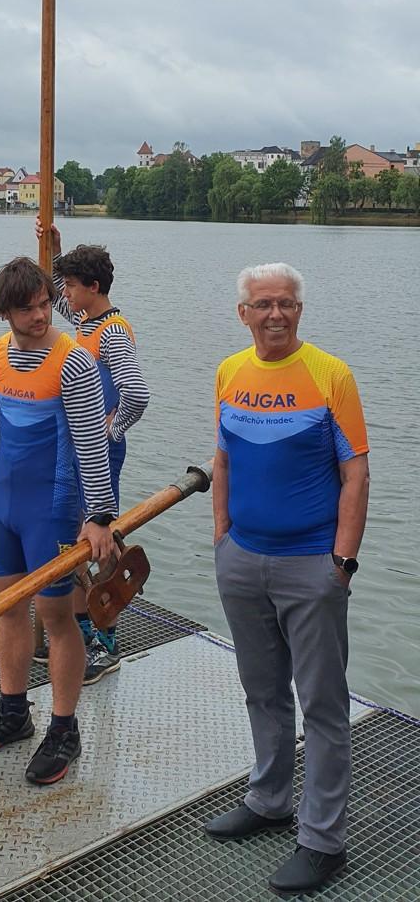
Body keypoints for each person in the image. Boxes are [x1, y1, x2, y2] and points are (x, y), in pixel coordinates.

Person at [205, 263, 370, 898]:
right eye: (263, 304)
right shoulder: (229, 371)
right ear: (242, 313)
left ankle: (323, 840)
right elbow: (223, 459)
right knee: (262, 690)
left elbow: (355, 474)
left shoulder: (331, 375)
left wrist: (342, 563)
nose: (275, 314)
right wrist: (222, 537)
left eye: (287, 304)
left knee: (323, 703)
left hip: (311, 564)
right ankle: (270, 800)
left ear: (300, 311)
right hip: (243, 559)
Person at [0, 255, 117, 784]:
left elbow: (92, 445)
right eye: (27, 309)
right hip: (1, 502)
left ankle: (64, 727)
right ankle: (13, 712)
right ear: (4, 312)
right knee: (6, 608)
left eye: (45, 304)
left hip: (52, 508)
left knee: (55, 617)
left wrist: (99, 516)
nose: (40, 316)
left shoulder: (73, 362)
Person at [36, 219, 149, 682]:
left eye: (71, 284)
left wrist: (111, 430)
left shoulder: (113, 331)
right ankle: (82, 633)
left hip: (98, 452)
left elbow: (136, 392)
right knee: (77, 538)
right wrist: (53, 249)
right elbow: (53, 299)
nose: (64, 292)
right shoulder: (87, 320)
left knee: (98, 540)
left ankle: (107, 641)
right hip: (77, 449)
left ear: (94, 287)